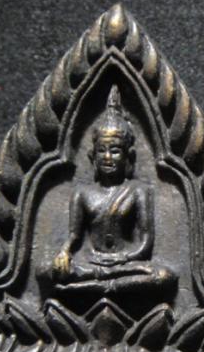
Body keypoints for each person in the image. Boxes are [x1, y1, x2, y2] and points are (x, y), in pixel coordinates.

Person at [50, 85, 176, 293]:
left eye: (115, 151)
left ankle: (94, 285)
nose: (107, 157)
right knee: (47, 271)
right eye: (102, 151)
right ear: (93, 156)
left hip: (125, 264)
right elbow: (74, 236)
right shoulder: (82, 193)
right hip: (91, 262)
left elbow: (145, 242)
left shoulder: (139, 191)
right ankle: (108, 285)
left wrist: (121, 258)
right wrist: (64, 253)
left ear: (129, 156)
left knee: (163, 275)